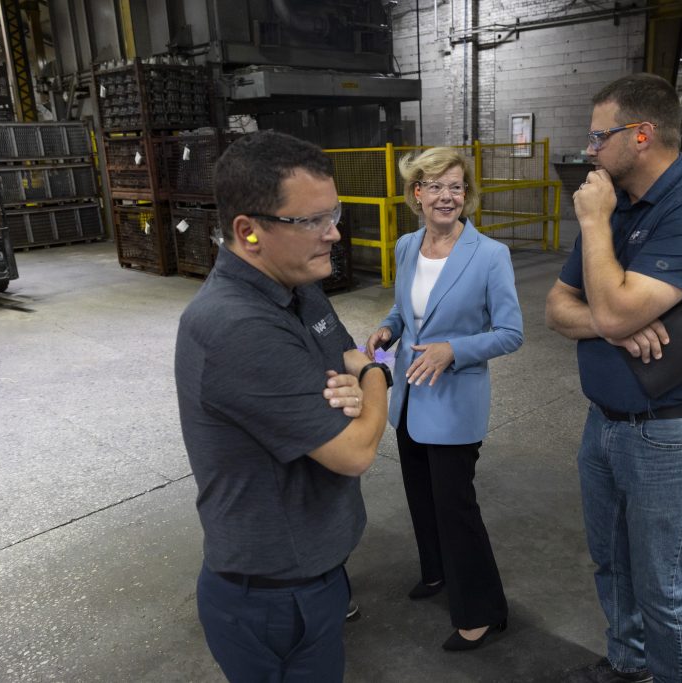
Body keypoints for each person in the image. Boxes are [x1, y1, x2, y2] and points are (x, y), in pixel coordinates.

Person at [545, 73, 682, 683]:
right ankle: (631, 667)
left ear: (641, 134)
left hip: (670, 432)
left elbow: (605, 308)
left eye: (599, 136)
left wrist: (597, 229)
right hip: (604, 422)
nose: (589, 150)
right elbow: (558, 307)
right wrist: (615, 323)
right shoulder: (618, 206)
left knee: (662, 585)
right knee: (612, 564)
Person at [174, 130, 391, 683]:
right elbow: (354, 450)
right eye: (312, 221)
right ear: (248, 231)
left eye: (333, 213)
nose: (335, 234)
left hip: (315, 575)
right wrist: (377, 376)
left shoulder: (298, 284)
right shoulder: (238, 326)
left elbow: (342, 350)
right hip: (273, 598)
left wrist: (355, 374)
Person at [364, 147, 522, 652]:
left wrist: (455, 349)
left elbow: (510, 332)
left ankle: (483, 611)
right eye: (434, 185)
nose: (446, 196)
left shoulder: (489, 255)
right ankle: (436, 572)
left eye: (455, 186)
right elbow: (404, 309)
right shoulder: (408, 246)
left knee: (456, 508)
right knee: (420, 496)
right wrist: (388, 330)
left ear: (467, 195)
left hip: (454, 403)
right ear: (417, 194)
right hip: (410, 399)